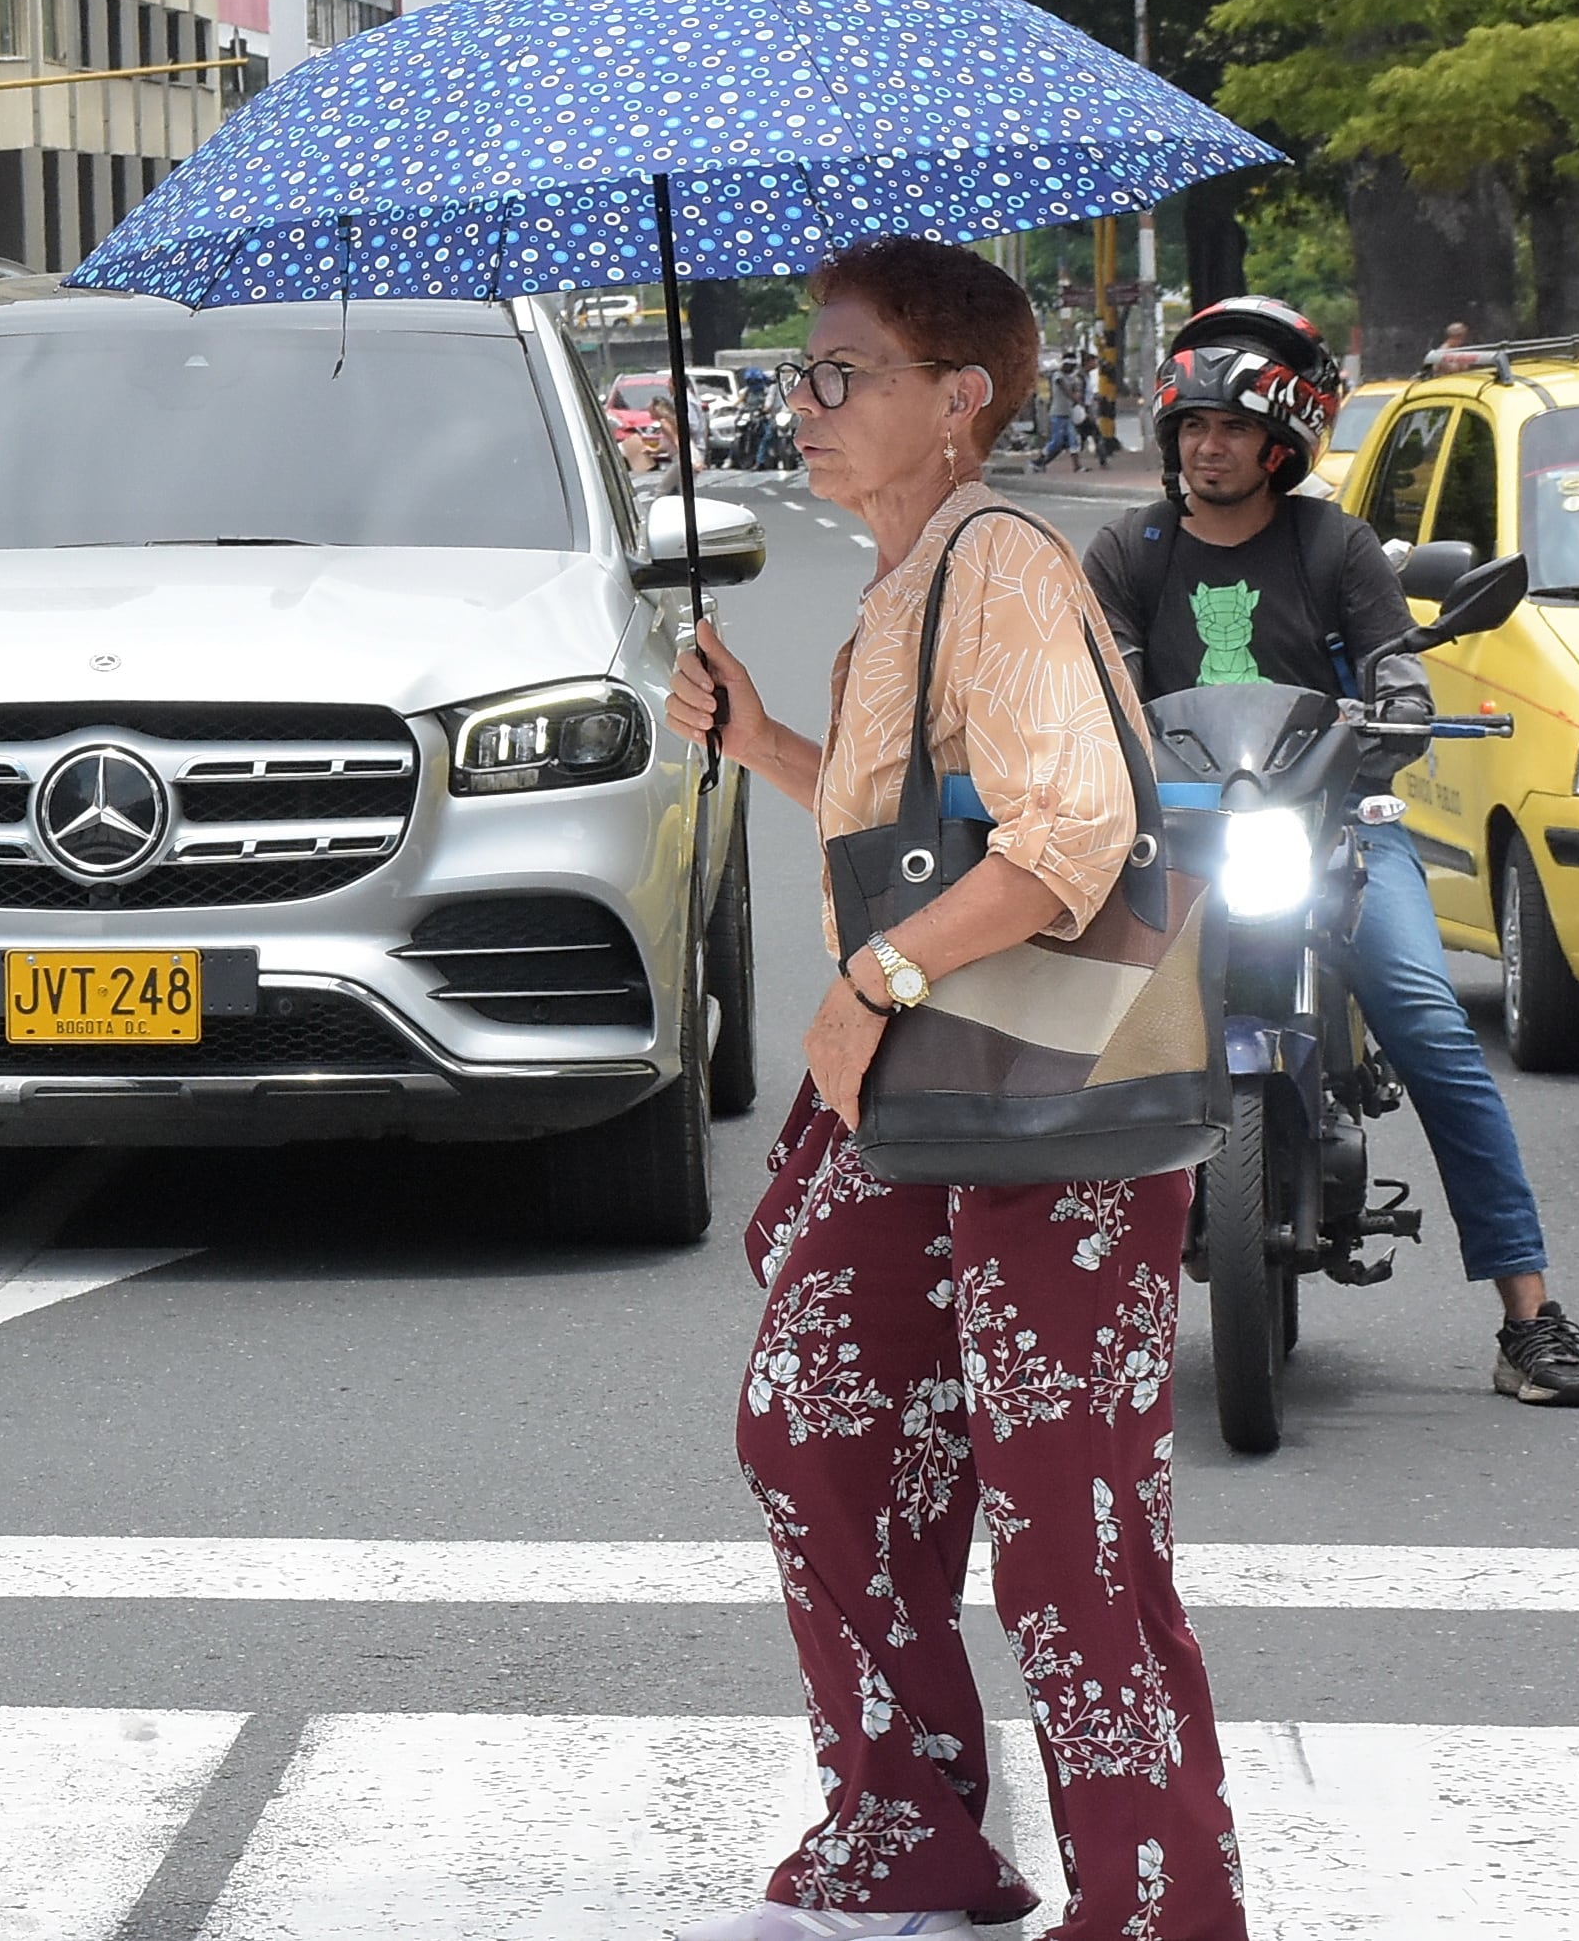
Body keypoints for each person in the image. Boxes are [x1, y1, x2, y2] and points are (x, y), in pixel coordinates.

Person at [666, 235, 1249, 1941]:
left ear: (960, 399)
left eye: (841, 372)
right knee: (817, 1419)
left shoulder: (996, 560)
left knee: (1068, 1524)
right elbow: (919, 833)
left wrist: (868, 980)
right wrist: (756, 738)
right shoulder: (904, 580)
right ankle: (906, 1831)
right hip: (931, 1100)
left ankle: (1157, 1902)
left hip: (1048, 1100)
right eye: (801, 371)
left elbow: (1065, 838)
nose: (804, 401)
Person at [1081, 296, 1579, 1410]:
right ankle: (1033, 1317)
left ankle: (1529, 1315)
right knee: (1063, 1025)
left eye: (1230, 429)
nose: (1207, 446)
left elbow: (1389, 660)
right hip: (1171, 842)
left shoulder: (1334, 543)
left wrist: (1401, 707)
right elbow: (1100, 674)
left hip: (1333, 831)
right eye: (1191, 429)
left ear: (1281, 444)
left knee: (1425, 1016)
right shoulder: (1133, 548)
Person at [1037, 359, 1085, 471]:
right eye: (1070, 366)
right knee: (1056, 441)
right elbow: (1065, 389)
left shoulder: (1072, 378)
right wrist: (1074, 397)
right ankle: (1039, 460)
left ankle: (1077, 466)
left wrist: (1077, 391)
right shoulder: (1057, 376)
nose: (1071, 368)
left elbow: (1077, 389)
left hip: (1068, 414)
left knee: (1074, 440)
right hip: (1057, 414)